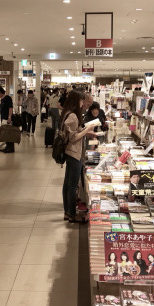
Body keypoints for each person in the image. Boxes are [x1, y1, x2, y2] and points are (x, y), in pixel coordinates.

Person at [60, 89, 98, 223]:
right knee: (72, 185)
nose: (83, 104)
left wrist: (86, 133)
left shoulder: (69, 113)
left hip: (71, 152)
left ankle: (67, 212)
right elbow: (73, 137)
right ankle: (71, 213)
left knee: (67, 184)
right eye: (82, 101)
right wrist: (87, 130)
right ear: (77, 101)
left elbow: (75, 132)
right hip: (73, 153)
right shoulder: (73, 116)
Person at [0, 86, 14, 153]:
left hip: (7, 118)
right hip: (3, 118)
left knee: (8, 133)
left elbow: (10, 108)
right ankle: (7, 146)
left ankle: (10, 148)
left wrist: (9, 117)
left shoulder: (7, 98)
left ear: (0, 92)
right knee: (5, 133)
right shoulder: (2, 99)